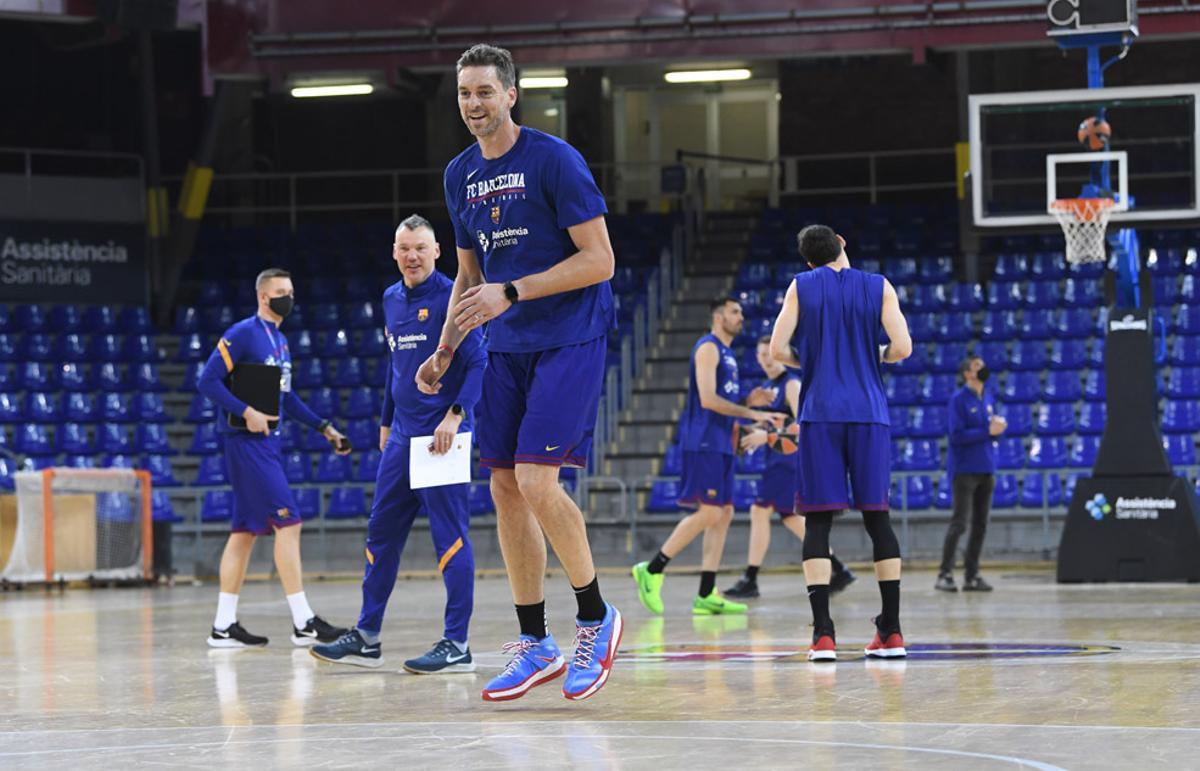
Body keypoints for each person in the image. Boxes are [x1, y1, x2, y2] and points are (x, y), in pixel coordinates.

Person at [416, 44, 621, 702]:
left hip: (570, 335)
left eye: (484, 91)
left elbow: (600, 260)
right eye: (463, 94)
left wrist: (518, 291)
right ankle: (536, 641)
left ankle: (597, 616)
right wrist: (445, 348)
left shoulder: (554, 159)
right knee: (504, 486)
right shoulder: (460, 176)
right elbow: (471, 279)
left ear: (511, 95)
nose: (473, 104)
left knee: (536, 478)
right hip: (506, 343)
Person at [311, 215, 486, 672]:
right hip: (402, 438)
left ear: (436, 252)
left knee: (450, 540)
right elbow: (396, 367)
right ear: (394, 252)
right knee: (380, 534)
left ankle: (457, 644)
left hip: (442, 439)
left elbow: (480, 363)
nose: (411, 256)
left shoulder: (456, 298)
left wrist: (456, 415)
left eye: (420, 248)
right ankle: (367, 637)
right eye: (404, 248)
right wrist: (387, 422)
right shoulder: (390, 299)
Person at [769, 225, 912, 662]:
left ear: (808, 261)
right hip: (870, 413)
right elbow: (903, 347)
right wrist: (877, 356)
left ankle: (824, 635)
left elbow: (777, 350)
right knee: (878, 519)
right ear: (843, 244)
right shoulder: (879, 285)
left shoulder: (801, 286)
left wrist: (807, 360)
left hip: (820, 413)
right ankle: (891, 631)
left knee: (818, 522)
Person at [198, 268, 350, 648]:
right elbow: (207, 381)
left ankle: (223, 625)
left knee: (244, 532)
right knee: (290, 521)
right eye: (281, 292)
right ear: (263, 296)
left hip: (268, 443)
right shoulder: (242, 333)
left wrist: (324, 428)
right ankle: (303, 621)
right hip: (245, 442)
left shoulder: (279, 341)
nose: (289, 297)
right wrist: (245, 411)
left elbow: (287, 399)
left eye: (291, 291)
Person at [632, 299, 783, 616]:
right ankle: (653, 568)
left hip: (722, 442)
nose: (741, 316)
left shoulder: (729, 354)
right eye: (734, 312)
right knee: (711, 511)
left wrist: (746, 400)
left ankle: (706, 592)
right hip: (703, 442)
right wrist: (752, 411)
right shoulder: (708, 348)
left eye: (741, 312)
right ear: (718, 317)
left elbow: (725, 402)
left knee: (725, 512)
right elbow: (708, 400)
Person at [724, 336, 856, 599]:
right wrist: (755, 431)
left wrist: (767, 437)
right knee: (792, 518)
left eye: (769, 354)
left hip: (789, 461)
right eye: (761, 356)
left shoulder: (791, 384)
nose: (765, 360)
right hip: (776, 460)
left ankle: (750, 578)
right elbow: (777, 423)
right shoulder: (767, 387)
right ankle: (839, 569)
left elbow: (803, 426)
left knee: (759, 511)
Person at [937, 356, 1006, 593]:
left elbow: (986, 433)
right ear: (967, 373)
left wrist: (996, 431)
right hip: (965, 470)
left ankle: (971, 575)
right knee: (959, 523)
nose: (983, 369)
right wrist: (987, 431)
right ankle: (944, 574)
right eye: (977, 366)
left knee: (980, 525)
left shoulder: (987, 396)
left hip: (987, 468)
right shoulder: (958, 400)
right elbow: (956, 436)